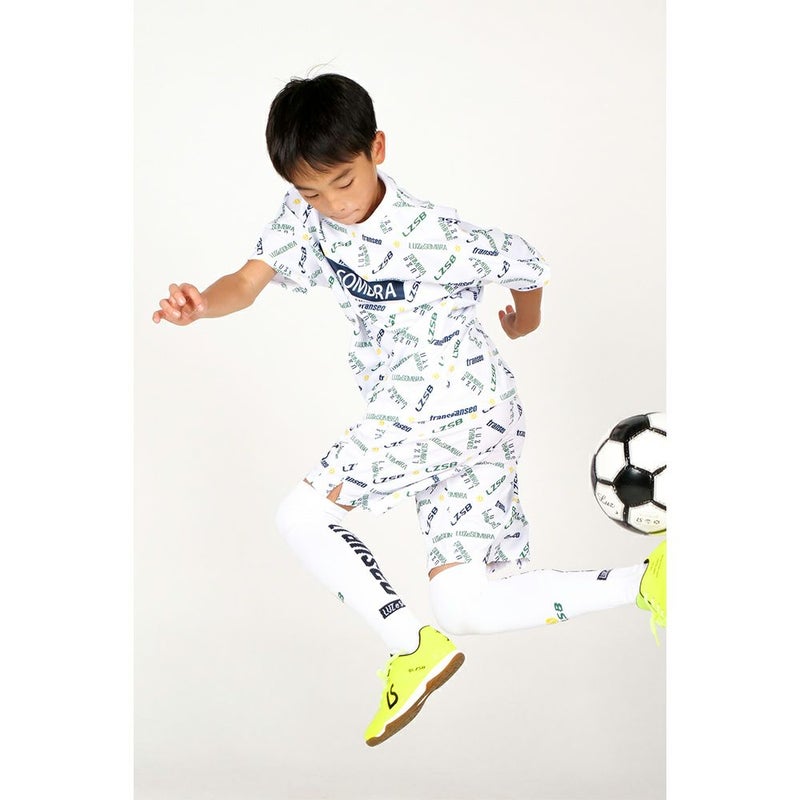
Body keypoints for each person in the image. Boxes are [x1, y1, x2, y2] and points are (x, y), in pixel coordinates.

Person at [152, 73, 666, 747]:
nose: (333, 204)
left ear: (377, 149)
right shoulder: (303, 217)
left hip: (447, 407)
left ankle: (408, 647)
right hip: (468, 415)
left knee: (301, 516)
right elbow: (247, 282)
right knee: (466, 605)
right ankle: (653, 579)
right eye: (311, 191)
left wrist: (525, 322)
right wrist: (201, 305)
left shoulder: (436, 234)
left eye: (343, 181)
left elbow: (526, 263)